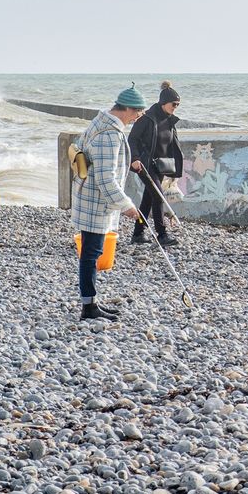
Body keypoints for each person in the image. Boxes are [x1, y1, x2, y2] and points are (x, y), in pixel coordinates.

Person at [70, 84, 147, 320]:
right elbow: (106, 178)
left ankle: (91, 302)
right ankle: (89, 307)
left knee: (91, 253)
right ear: (125, 109)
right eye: (137, 112)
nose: (137, 117)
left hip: (89, 195)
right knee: (91, 254)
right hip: (95, 201)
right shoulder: (110, 135)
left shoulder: (100, 123)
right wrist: (127, 206)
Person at [128, 81, 186, 247]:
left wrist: (175, 169)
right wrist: (135, 159)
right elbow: (132, 140)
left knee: (149, 198)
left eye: (178, 105)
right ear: (163, 102)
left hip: (160, 165)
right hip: (145, 165)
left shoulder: (170, 121)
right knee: (158, 196)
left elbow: (172, 144)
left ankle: (138, 233)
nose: (176, 107)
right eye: (174, 104)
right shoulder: (146, 119)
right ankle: (162, 234)